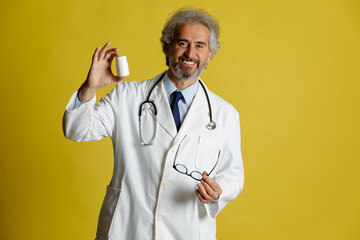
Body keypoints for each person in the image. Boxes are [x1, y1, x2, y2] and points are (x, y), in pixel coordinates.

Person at [63, 7, 244, 240]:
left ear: (210, 54)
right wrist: (91, 87)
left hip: (188, 231)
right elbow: (76, 130)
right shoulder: (127, 96)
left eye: (200, 45)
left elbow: (234, 175)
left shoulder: (225, 113)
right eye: (182, 43)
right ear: (167, 48)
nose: (190, 52)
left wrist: (219, 192)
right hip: (128, 228)